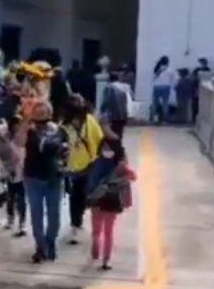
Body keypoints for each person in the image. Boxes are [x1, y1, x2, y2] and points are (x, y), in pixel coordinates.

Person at [19, 101, 70, 263]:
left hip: (53, 178)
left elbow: (66, 151)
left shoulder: (59, 131)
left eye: (43, 113)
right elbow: (18, 142)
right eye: (37, 113)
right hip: (33, 178)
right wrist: (25, 121)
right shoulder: (29, 130)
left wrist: (64, 163)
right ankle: (40, 247)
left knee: (54, 216)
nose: (40, 117)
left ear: (49, 114)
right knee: (36, 215)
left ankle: (50, 242)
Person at [86, 138, 137, 271]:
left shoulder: (114, 165)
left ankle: (105, 258)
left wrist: (115, 181)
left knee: (107, 232)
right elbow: (132, 177)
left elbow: (133, 176)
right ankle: (97, 252)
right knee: (98, 231)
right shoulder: (100, 163)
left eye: (109, 148)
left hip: (106, 201)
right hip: (100, 201)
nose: (106, 150)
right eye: (104, 148)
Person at [62, 94, 105, 245]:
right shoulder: (64, 127)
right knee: (74, 198)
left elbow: (100, 140)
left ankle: (77, 222)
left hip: (88, 166)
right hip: (71, 169)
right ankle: (75, 225)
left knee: (83, 197)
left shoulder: (90, 121)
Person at [0, 115, 27, 236]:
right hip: (9, 174)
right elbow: (0, 157)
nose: (17, 128)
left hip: (21, 173)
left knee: (21, 200)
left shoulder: (22, 138)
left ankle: (22, 223)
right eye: (15, 125)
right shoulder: (1, 140)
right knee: (10, 198)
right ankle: (11, 219)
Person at [100, 72, 131, 139]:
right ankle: (119, 145)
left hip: (113, 115)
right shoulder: (124, 87)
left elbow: (106, 101)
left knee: (113, 132)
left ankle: (117, 147)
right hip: (123, 115)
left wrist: (102, 111)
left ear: (110, 79)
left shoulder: (109, 87)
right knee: (120, 131)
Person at [150, 56, 176, 124]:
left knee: (155, 103)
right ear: (167, 62)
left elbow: (153, 78)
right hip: (166, 87)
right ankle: (164, 120)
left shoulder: (156, 68)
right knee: (165, 104)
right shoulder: (170, 70)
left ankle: (153, 119)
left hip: (156, 87)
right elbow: (172, 80)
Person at [191, 58, 212, 124]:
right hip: (196, 89)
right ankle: (194, 119)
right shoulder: (197, 70)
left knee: (203, 105)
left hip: (204, 89)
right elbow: (192, 78)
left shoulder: (208, 70)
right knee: (195, 105)